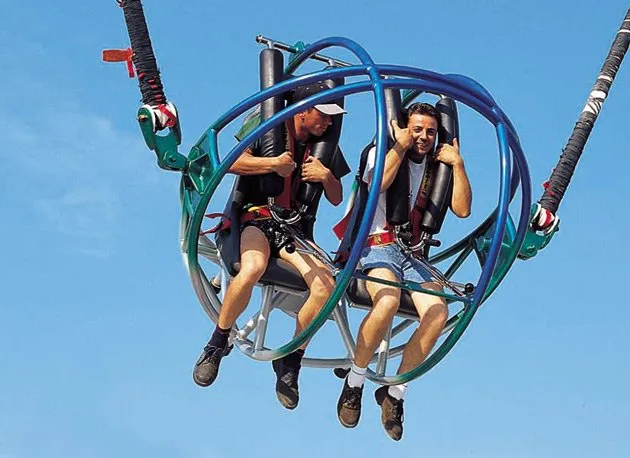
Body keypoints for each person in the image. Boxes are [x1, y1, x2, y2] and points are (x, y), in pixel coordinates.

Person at [194, 82, 351, 412]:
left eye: (332, 118)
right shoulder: (269, 129)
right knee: (252, 266)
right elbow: (230, 163)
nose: (328, 123)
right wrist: (273, 165)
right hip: (257, 218)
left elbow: (337, 198)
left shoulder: (325, 147)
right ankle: (217, 342)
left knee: (326, 287)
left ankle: (291, 360)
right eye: (323, 115)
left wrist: (326, 176)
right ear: (303, 111)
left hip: (293, 230)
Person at [336, 102, 472, 440]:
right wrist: (399, 145)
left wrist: (457, 164)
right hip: (376, 244)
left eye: (430, 132)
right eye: (417, 130)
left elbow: (462, 210)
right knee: (387, 301)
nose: (424, 137)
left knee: (438, 313)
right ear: (404, 128)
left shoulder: (437, 167)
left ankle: (395, 393)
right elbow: (379, 184)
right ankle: (355, 381)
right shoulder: (380, 152)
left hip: (413, 254)